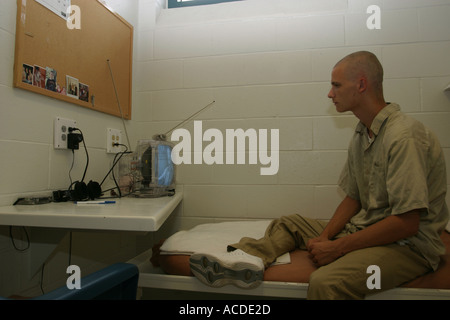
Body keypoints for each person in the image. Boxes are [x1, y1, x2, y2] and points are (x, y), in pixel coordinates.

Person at [189, 51, 449, 299]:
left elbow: (407, 223)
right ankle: (247, 260)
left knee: (326, 283)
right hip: (368, 227)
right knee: (289, 223)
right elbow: (354, 198)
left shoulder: (404, 136)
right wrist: (324, 238)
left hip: (408, 247)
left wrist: (338, 247)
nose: (329, 93)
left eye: (336, 85)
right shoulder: (362, 134)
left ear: (361, 85)